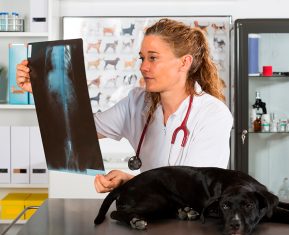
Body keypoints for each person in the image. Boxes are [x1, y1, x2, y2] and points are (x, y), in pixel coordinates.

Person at [16, 18, 233, 194]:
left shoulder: (213, 114)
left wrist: (133, 183)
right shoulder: (138, 102)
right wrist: (42, 91)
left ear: (184, 63)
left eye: (153, 58)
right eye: (142, 58)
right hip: (151, 216)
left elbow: (195, 188)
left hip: (194, 222)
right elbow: (78, 131)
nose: (143, 67)